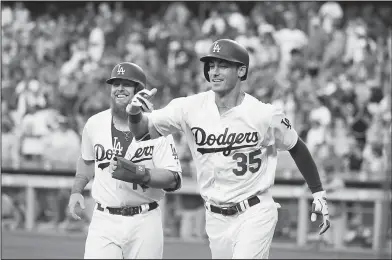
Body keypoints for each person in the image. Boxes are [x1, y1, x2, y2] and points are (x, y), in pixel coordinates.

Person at [126, 39, 330, 259]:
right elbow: (142, 132)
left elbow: (296, 147)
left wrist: (318, 192)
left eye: (223, 65)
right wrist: (134, 113)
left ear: (241, 70)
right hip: (215, 217)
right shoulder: (189, 108)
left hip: (255, 211)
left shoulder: (263, 115)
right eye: (211, 65)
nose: (214, 72)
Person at [68, 62, 182, 259]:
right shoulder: (94, 123)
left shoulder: (158, 127)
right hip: (104, 219)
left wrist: (141, 174)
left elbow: (173, 178)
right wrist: (77, 189)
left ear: (140, 91)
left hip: (144, 220)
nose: (119, 88)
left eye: (126, 84)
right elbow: (87, 160)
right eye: (115, 84)